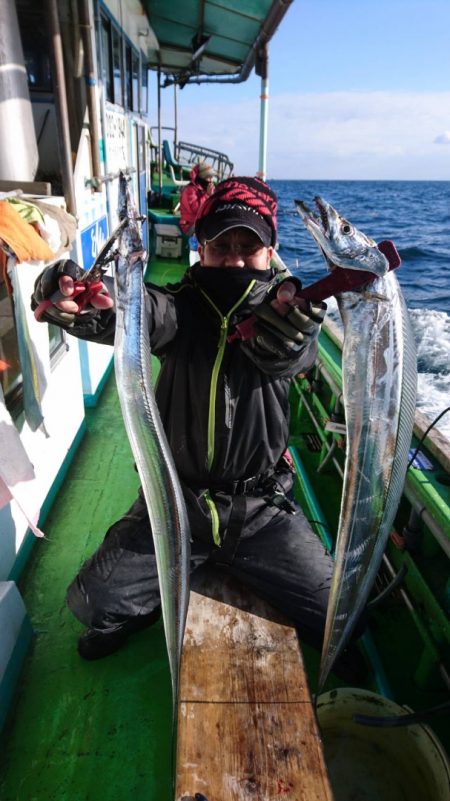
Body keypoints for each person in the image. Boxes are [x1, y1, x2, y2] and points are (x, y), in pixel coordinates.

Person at [31, 177, 364, 679]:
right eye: (220, 245)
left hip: (261, 511)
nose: (232, 259)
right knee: (92, 605)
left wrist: (293, 344)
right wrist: (68, 298)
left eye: (247, 247)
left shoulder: (287, 313)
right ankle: (171, 578)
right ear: (201, 248)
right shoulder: (177, 307)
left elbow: (292, 355)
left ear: (270, 251)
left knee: (344, 620)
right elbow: (126, 317)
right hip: (174, 504)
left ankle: (208, 568)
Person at [179, 160, 216, 265]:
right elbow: (196, 210)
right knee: (198, 237)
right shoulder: (189, 190)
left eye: (211, 177)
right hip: (190, 225)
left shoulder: (204, 189)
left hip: (202, 222)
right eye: (208, 177)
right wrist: (207, 196)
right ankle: (194, 263)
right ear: (201, 177)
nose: (210, 180)